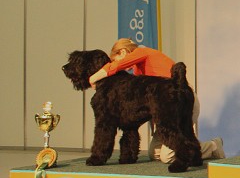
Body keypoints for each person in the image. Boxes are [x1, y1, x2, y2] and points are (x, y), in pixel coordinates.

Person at [88, 38, 225, 162]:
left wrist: (93, 78)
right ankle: (194, 150)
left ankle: (213, 146)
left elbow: (115, 67)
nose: (117, 63)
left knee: (168, 156)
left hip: (180, 100)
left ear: (123, 52)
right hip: (165, 103)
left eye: (116, 58)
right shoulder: (138, 70)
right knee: (154, 153)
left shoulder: (141, 52)